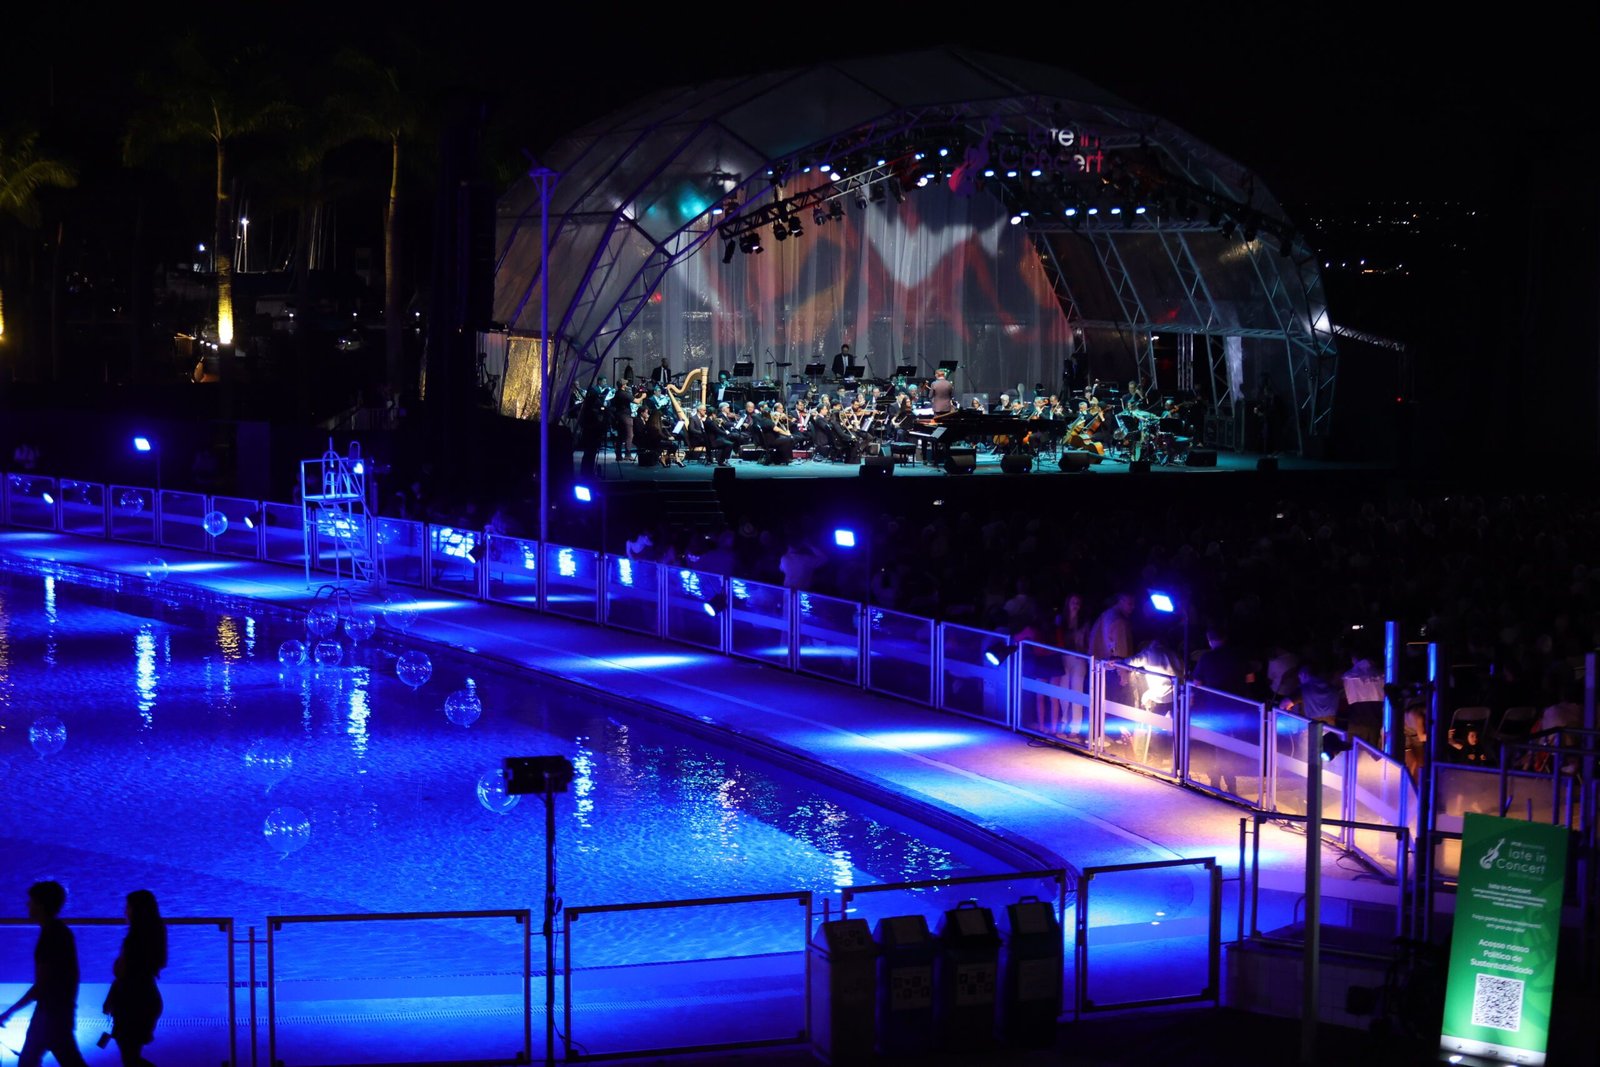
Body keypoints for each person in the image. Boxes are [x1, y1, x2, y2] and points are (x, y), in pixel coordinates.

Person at [0, 881, 90, 1067]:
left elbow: (42, 985)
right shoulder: (60, 932)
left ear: (41, 905)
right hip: (58, 1012)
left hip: (49, 1015)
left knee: (31, 1061)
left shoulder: (50, 936)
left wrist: (10, 1011)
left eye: (31, 901)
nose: (28, 905)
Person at [105, 889, 166, 1067]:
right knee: (131, 1056)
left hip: (131, 1004)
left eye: (128, 907)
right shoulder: (156, 935)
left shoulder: (134, 939)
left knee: (130, 1057)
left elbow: (124, 973)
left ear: (137, 911)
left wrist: (111, 997)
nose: (125, 911)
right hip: (146, 999)